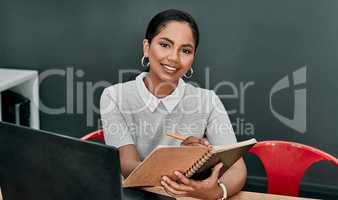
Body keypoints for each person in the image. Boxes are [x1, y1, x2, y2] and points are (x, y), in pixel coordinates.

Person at [100, 9, 247, 200]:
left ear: (193, 57)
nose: (174, 58)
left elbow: (237, 168)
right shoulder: (114, 96)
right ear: (146, 47)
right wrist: (186, 160)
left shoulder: (208, 101)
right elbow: (128, 165)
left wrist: (217, 192)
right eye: (165, 45)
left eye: (185, 50)